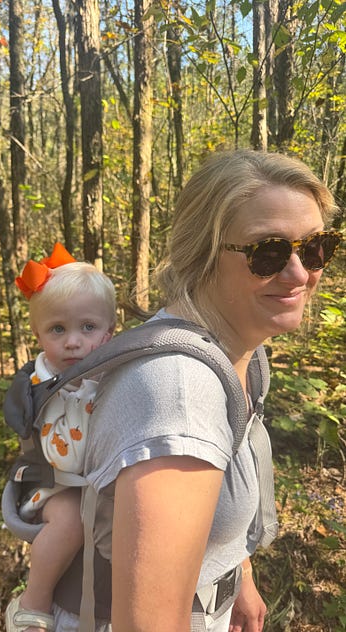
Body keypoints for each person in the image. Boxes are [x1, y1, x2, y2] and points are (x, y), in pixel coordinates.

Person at [43, 149, 342, 632]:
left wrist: (239, 577)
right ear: (201, 255)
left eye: (316, 248)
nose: (300, 274)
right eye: (267, 252)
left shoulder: (241, 354)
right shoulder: (178, 395)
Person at [5, 243, 117, 632]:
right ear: (38, 333)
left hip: (99, 483)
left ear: (109, 332)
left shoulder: (113, 375)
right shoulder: (43, 385)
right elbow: (61, 452)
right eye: (58, 329)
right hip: (55, 485)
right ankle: (33, 600)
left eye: (88, 328)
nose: (73, 341)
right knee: (70, 521)